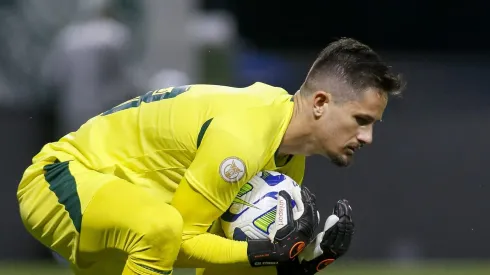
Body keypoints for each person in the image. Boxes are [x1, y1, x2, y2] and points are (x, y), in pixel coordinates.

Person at [17, 37, 403, 275]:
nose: (367, 137)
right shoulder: (244, 135)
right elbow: (179, 240)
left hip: (125, 210)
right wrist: (267, 252)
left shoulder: (285, 159)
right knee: (164, 231)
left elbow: (219, 258)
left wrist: (298, 261)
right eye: (361, 120)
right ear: (320, 102)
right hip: (62, 179)